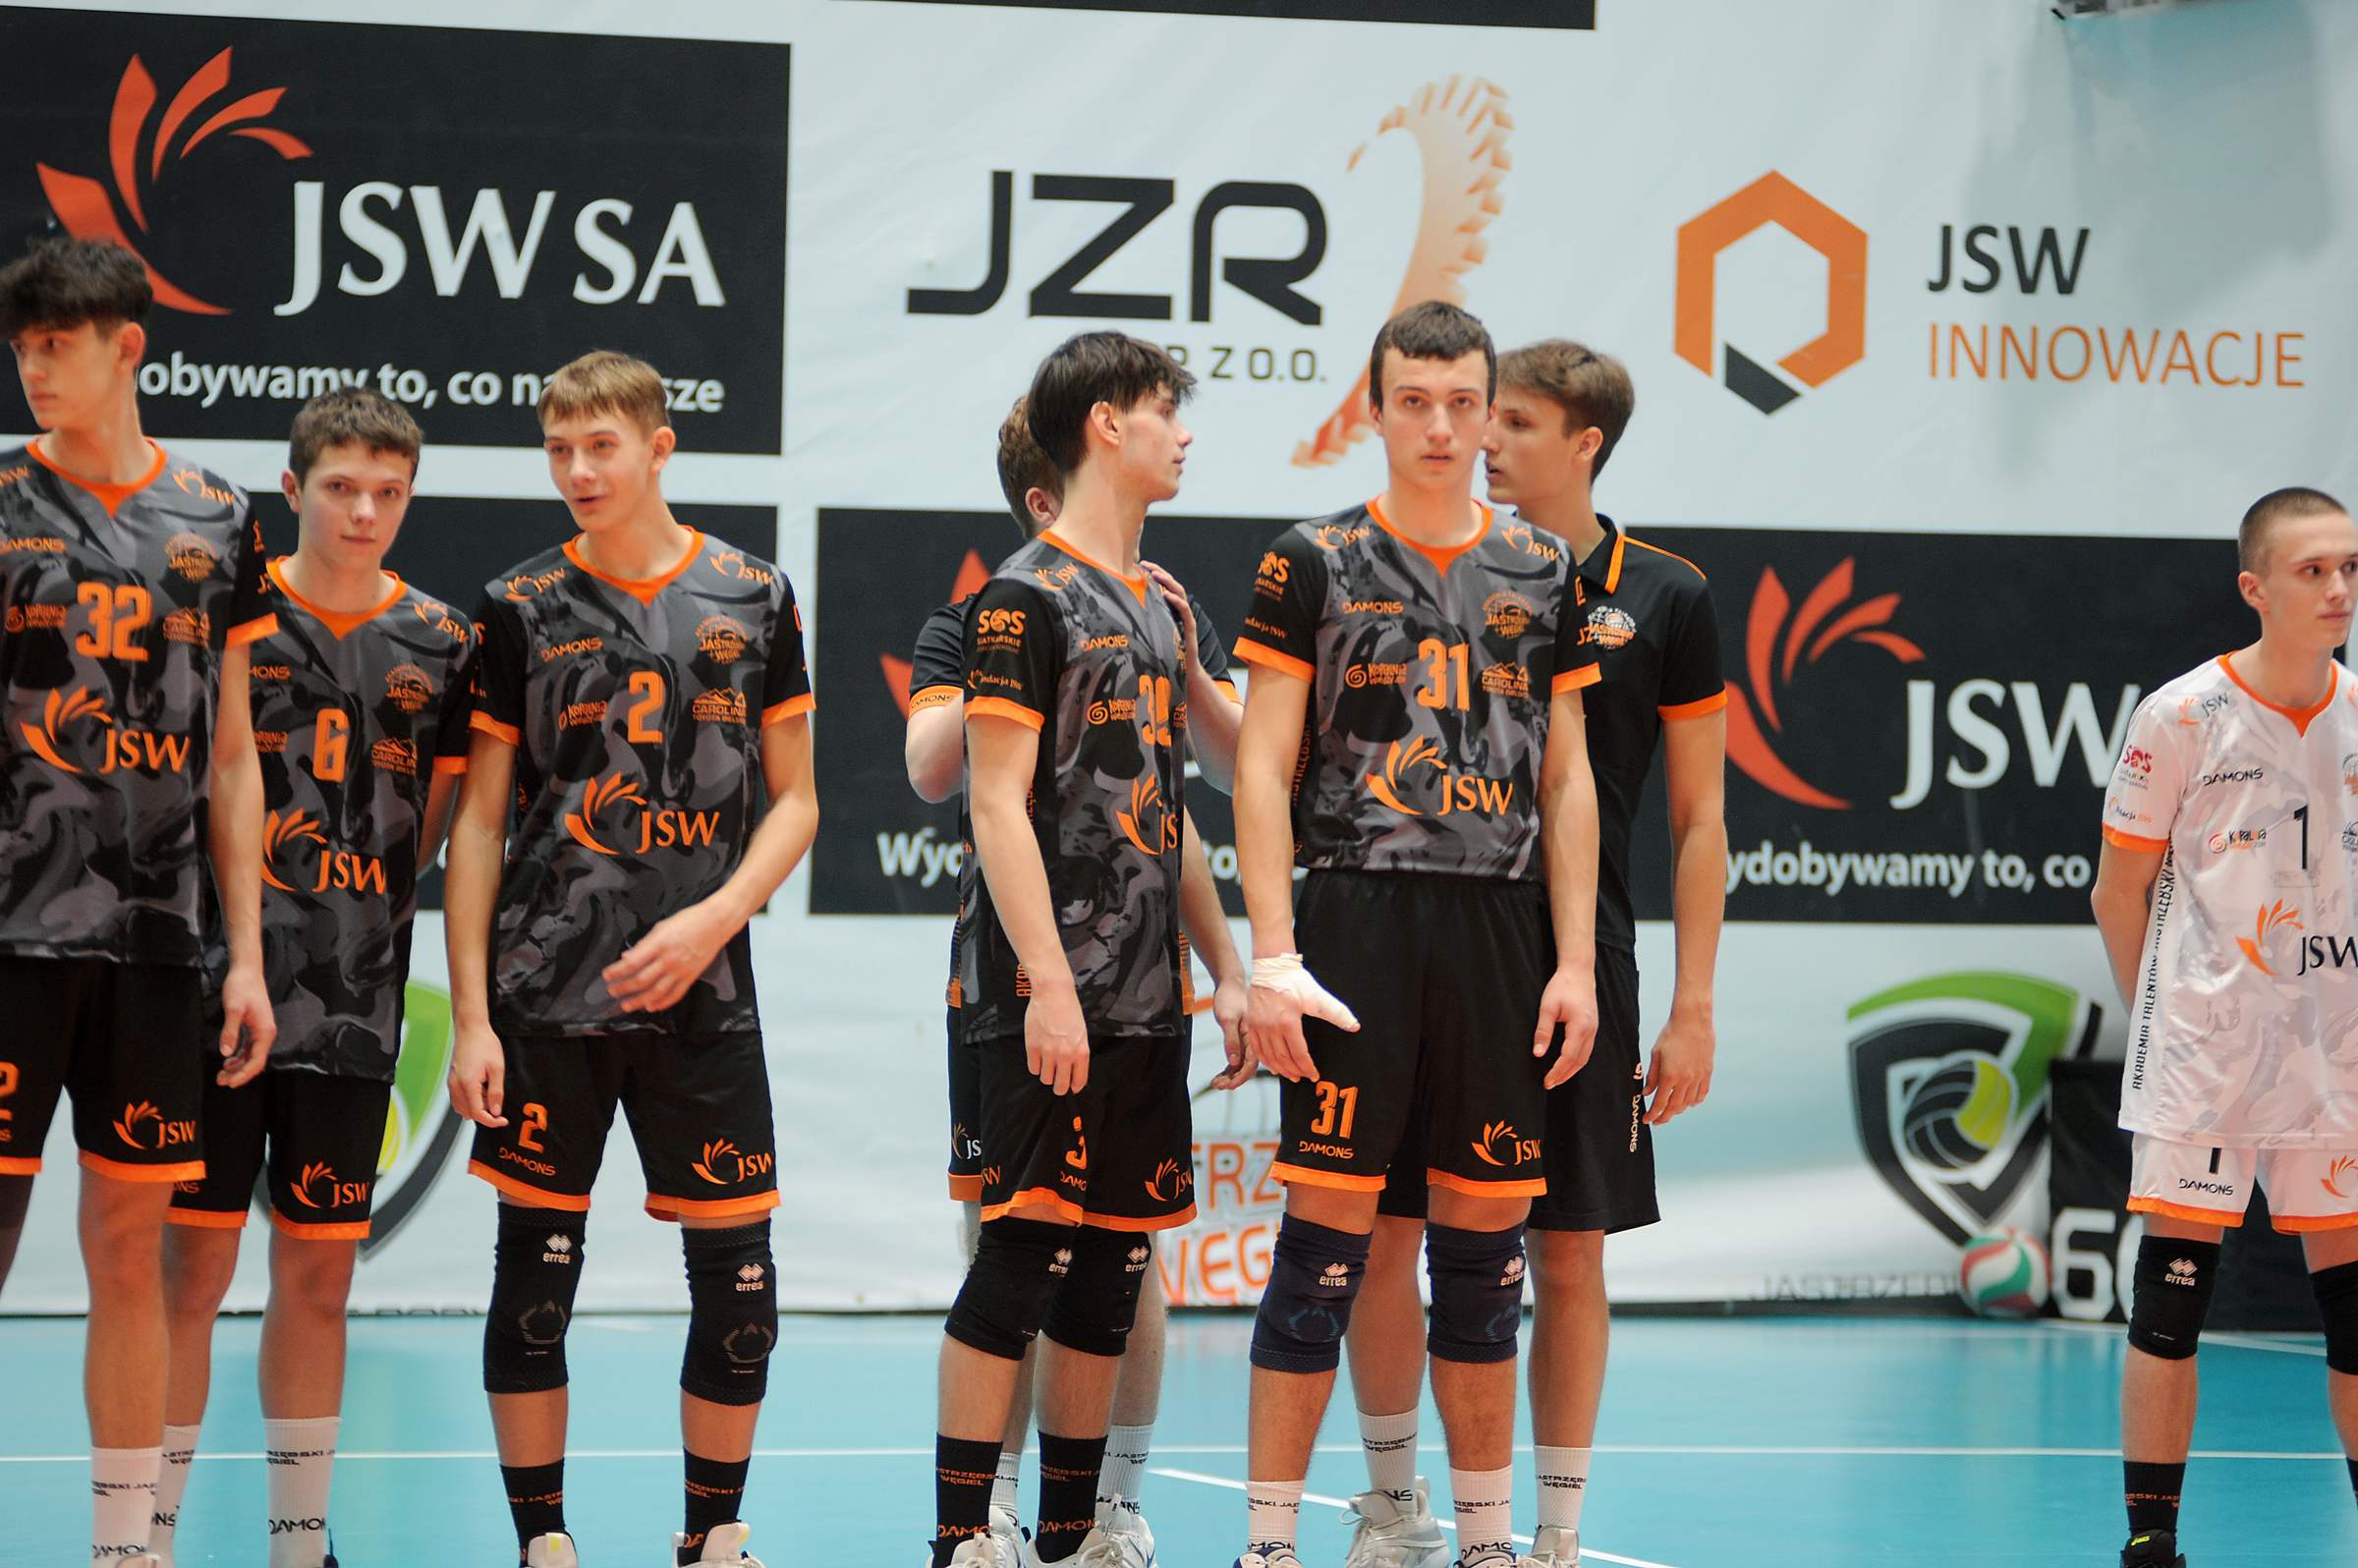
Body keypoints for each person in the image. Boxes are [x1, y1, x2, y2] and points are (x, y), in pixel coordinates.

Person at [1338, 341, 1726, 1568]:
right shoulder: (1441, 567)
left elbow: (1702, 821)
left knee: (1567, 1250)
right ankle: (1394, 1506)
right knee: (1391, 1232)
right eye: (1475, 414)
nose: (1481, 438)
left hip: (1580, 958)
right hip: (1433, 942)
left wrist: (1693, 1005)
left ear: (1585, 442)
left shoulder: (1665, 594)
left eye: (1510, 420)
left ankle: (1554, 1534)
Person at [1227, 302, 1600, 1568]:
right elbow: (1262, 764)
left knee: (1485, 1263)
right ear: (1376, 410)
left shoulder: (1543, 567)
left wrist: (1575, 962)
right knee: (1321, 1254)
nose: (1440, 427)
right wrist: (1272, 955)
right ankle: (1268, 1547)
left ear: (1488, 414)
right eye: (1413, 401)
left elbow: (1567, 780)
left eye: (1462, 403)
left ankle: (1487, 1545)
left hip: (1499, 928)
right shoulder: (1312, 560)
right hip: (1355, 914)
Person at [445, 351, 819, 1568]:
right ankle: (542, 1542)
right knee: (534, 1284)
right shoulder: (517, 605)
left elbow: (799, 803)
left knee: (742, 1292)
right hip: (547, 996)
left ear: (660, 447)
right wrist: (471, 1017)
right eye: (558, 449)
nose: (578, 470)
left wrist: (716, 919)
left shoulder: (754, 594)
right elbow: (480, 824)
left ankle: (713, 1538)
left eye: (600, 446)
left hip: (705, 995)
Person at [904, 396, 1244, 1564]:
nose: (1180, 437)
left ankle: (1100, 1512)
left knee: (1121, 1260)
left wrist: (1233, 971)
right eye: (1158, 417)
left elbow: (1193, 797)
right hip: (1020, 983)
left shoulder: (1163, 614)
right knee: (1012, 1249)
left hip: (1143, 995)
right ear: (1051, 492)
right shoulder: (991, 613)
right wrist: (1024, 647)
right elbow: (940, 772)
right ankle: (978, 1517)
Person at [148, 387, 475, 1568]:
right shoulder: (230, 616)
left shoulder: (444, 642)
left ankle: (299, 1544)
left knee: (320, 1279)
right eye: (340, 487)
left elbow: (433, 833)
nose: (364, 512)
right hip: (214, 996)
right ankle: (147, 1535)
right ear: (292, 490)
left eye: (389, 491)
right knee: (191, 1276)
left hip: (352, 1005)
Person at [0, 236, 276, 1568]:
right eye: (23, 348)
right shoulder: (2, 502)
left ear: (129, 349)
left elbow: (235, 753)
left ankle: (127, 1550)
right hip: (10, 933)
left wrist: (248, 957)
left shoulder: (219, 518)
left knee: (129, 1248)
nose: (35, 369)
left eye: (59, 344)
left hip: (161, 944)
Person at [2092, 486, 2358, 1568]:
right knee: (2171, 1301)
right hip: (2206, 1054)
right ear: (2256, 588)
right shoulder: (2181, 717)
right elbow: (2119, 890)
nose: (2338, 589)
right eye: (2313, 571)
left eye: (2350, 568)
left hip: (2338, 1055)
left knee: (2355, 1315)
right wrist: (2166, 1022)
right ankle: (2151, 1543)